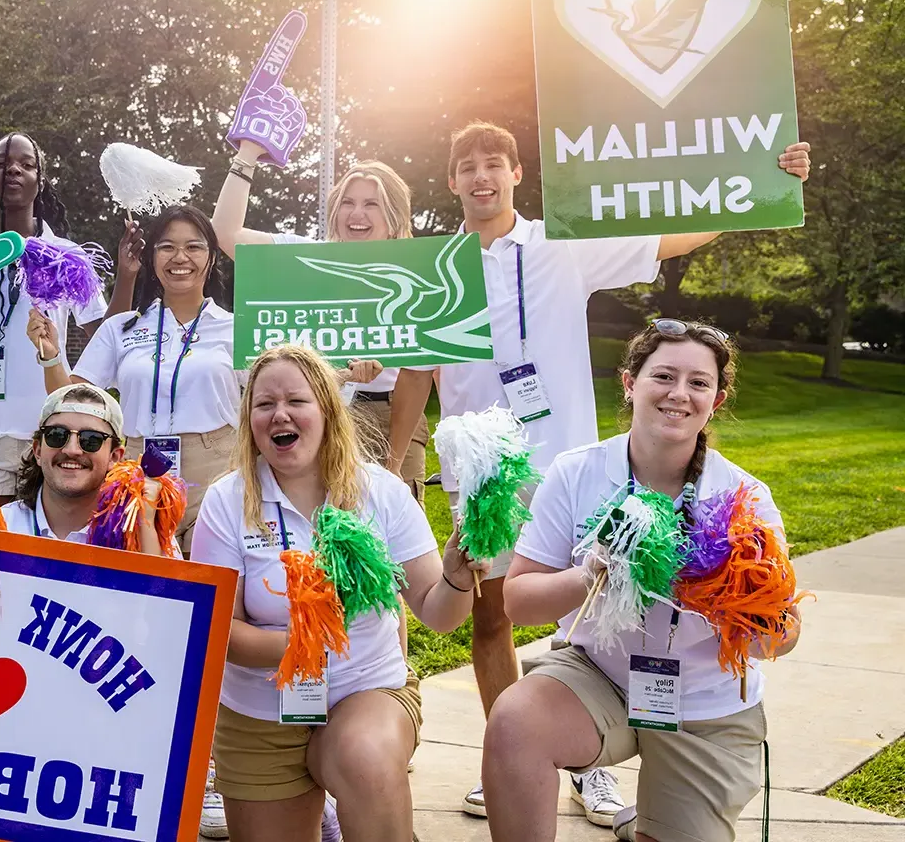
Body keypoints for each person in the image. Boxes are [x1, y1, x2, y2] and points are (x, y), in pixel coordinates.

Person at [382, 121, 811, 822]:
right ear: (453, 181)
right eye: (466, 166)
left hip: (568, 460)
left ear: (516, 174)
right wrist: (396, 463)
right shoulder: (438, 265)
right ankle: (512, 755)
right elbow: (414, 373)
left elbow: (670, 237)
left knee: (585, 605)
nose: (481, 176)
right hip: (482, 475)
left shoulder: (562, 240)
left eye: (494, 163)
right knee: (492, 620)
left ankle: (589, 770)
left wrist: (766, 183)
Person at [484, 320, 803, 842]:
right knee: (515, 723)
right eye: (664, 376)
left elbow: (782, 636)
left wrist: (741, 608)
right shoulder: (576, 472)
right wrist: (591, 574)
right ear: (630, 383)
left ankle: (651, 819)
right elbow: (518, 601)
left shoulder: (746, 497)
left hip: (705, 701)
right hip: (598, 673)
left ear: (716, 401)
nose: (680, 394)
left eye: (699, 383)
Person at [191, 344, 482, 842]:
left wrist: (457, 576)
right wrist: (308, 642)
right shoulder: (226, 500)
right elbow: (220, 632)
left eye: (296, 401)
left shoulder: (381, 493)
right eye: (264, 404)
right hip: (260, 710)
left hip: (364, 689)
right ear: (250, 419)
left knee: (365, 761)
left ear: (327, 409)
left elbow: (439, 614)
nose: (280, 414)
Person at [212, 149, 429, 501]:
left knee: (393, 530)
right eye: (348, 202)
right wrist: (247, 154)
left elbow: (417, 376)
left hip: (391, 417)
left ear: (395, 215)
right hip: (317, 410)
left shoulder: (417, 271)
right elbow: (224, 232)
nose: (357, 214)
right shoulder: (303, 256)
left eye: (372, 204)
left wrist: (393, 466)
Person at [28, 205, 238, 554]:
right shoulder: (122, 327)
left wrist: (350, 373)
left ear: (212, 257)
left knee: (210, 588)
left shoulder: (237, 328)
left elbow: (284, 386)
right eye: (167, 246)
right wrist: (50, 354)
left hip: (216, 468)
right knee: (148, 586)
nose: (180, 257)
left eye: (194, 246)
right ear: (152, 257)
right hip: (139, 471)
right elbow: (73, 400)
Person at [0, 132, 109, 502]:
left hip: (51, 434)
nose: (13, 169)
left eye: (26, 165)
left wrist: (76, 387)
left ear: (39, 181)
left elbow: (104, 334)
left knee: (45, 552)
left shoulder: (66, 254)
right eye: (1, 163)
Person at [4, 384, 126, 543]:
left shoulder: (136, 538)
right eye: (57, 435)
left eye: (91, 439)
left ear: (114, 457)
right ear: (38, 451)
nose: (71, 450)